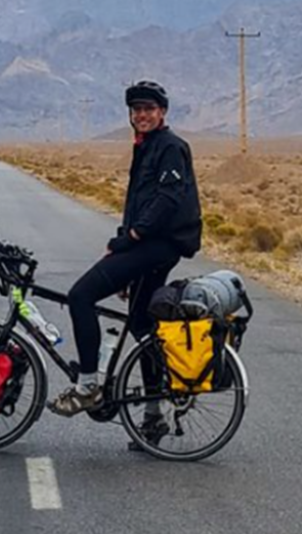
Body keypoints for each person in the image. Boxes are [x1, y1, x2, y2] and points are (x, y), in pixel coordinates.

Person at [48, 80, 203, 417]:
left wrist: (130, 237)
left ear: (162, 112)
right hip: (151, 245)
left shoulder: (170, 146)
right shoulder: (146, 146)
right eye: (136, 110)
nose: (142, 115)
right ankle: (153, 413)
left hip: (158, 245)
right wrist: (124, 242)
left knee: (80, 296)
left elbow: (167, 199)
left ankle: (87, 386)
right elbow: (138, 202)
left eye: (149, 109)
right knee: (143, 325)